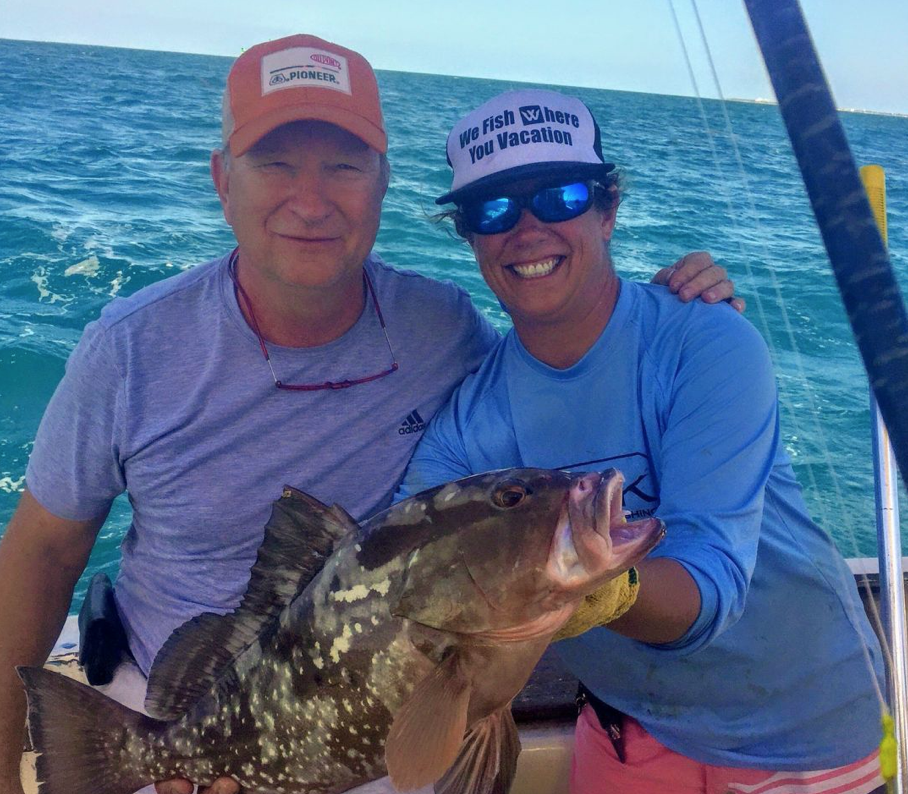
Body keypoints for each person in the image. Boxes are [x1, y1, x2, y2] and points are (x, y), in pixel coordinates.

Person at [0, 36, 736, 794]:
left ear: (382, 183)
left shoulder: (442, 326)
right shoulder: (126, 350)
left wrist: (661, 315)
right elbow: (42, 555)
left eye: (344, 166)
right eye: (275, 162)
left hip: (402, 718)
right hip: (189, 716)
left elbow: (551, 379)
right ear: (223, 181)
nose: (311, 201)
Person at [398, 88, 887, 794]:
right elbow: (400, 584)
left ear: (609, 209)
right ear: (469, 236)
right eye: (493, 209)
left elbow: (712, 587)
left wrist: (601, 588)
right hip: (630, 732)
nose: (527, 229)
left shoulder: (706, 337)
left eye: (561, 196)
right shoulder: (466, 426)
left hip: (803, 731)